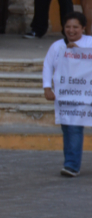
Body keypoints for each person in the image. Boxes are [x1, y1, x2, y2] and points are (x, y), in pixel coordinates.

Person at [42, 12, 92, 177]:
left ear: (83, 28)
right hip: (66, 96)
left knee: (74, 129)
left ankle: (71, 164)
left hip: (87, 94)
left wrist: (79, 53)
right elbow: (48, 66)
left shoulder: (90, 42)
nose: (71, 30)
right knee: (70, 128)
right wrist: (47, 87)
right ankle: (71, 165)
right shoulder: (57, 46)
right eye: (68, 27)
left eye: (75, 27)